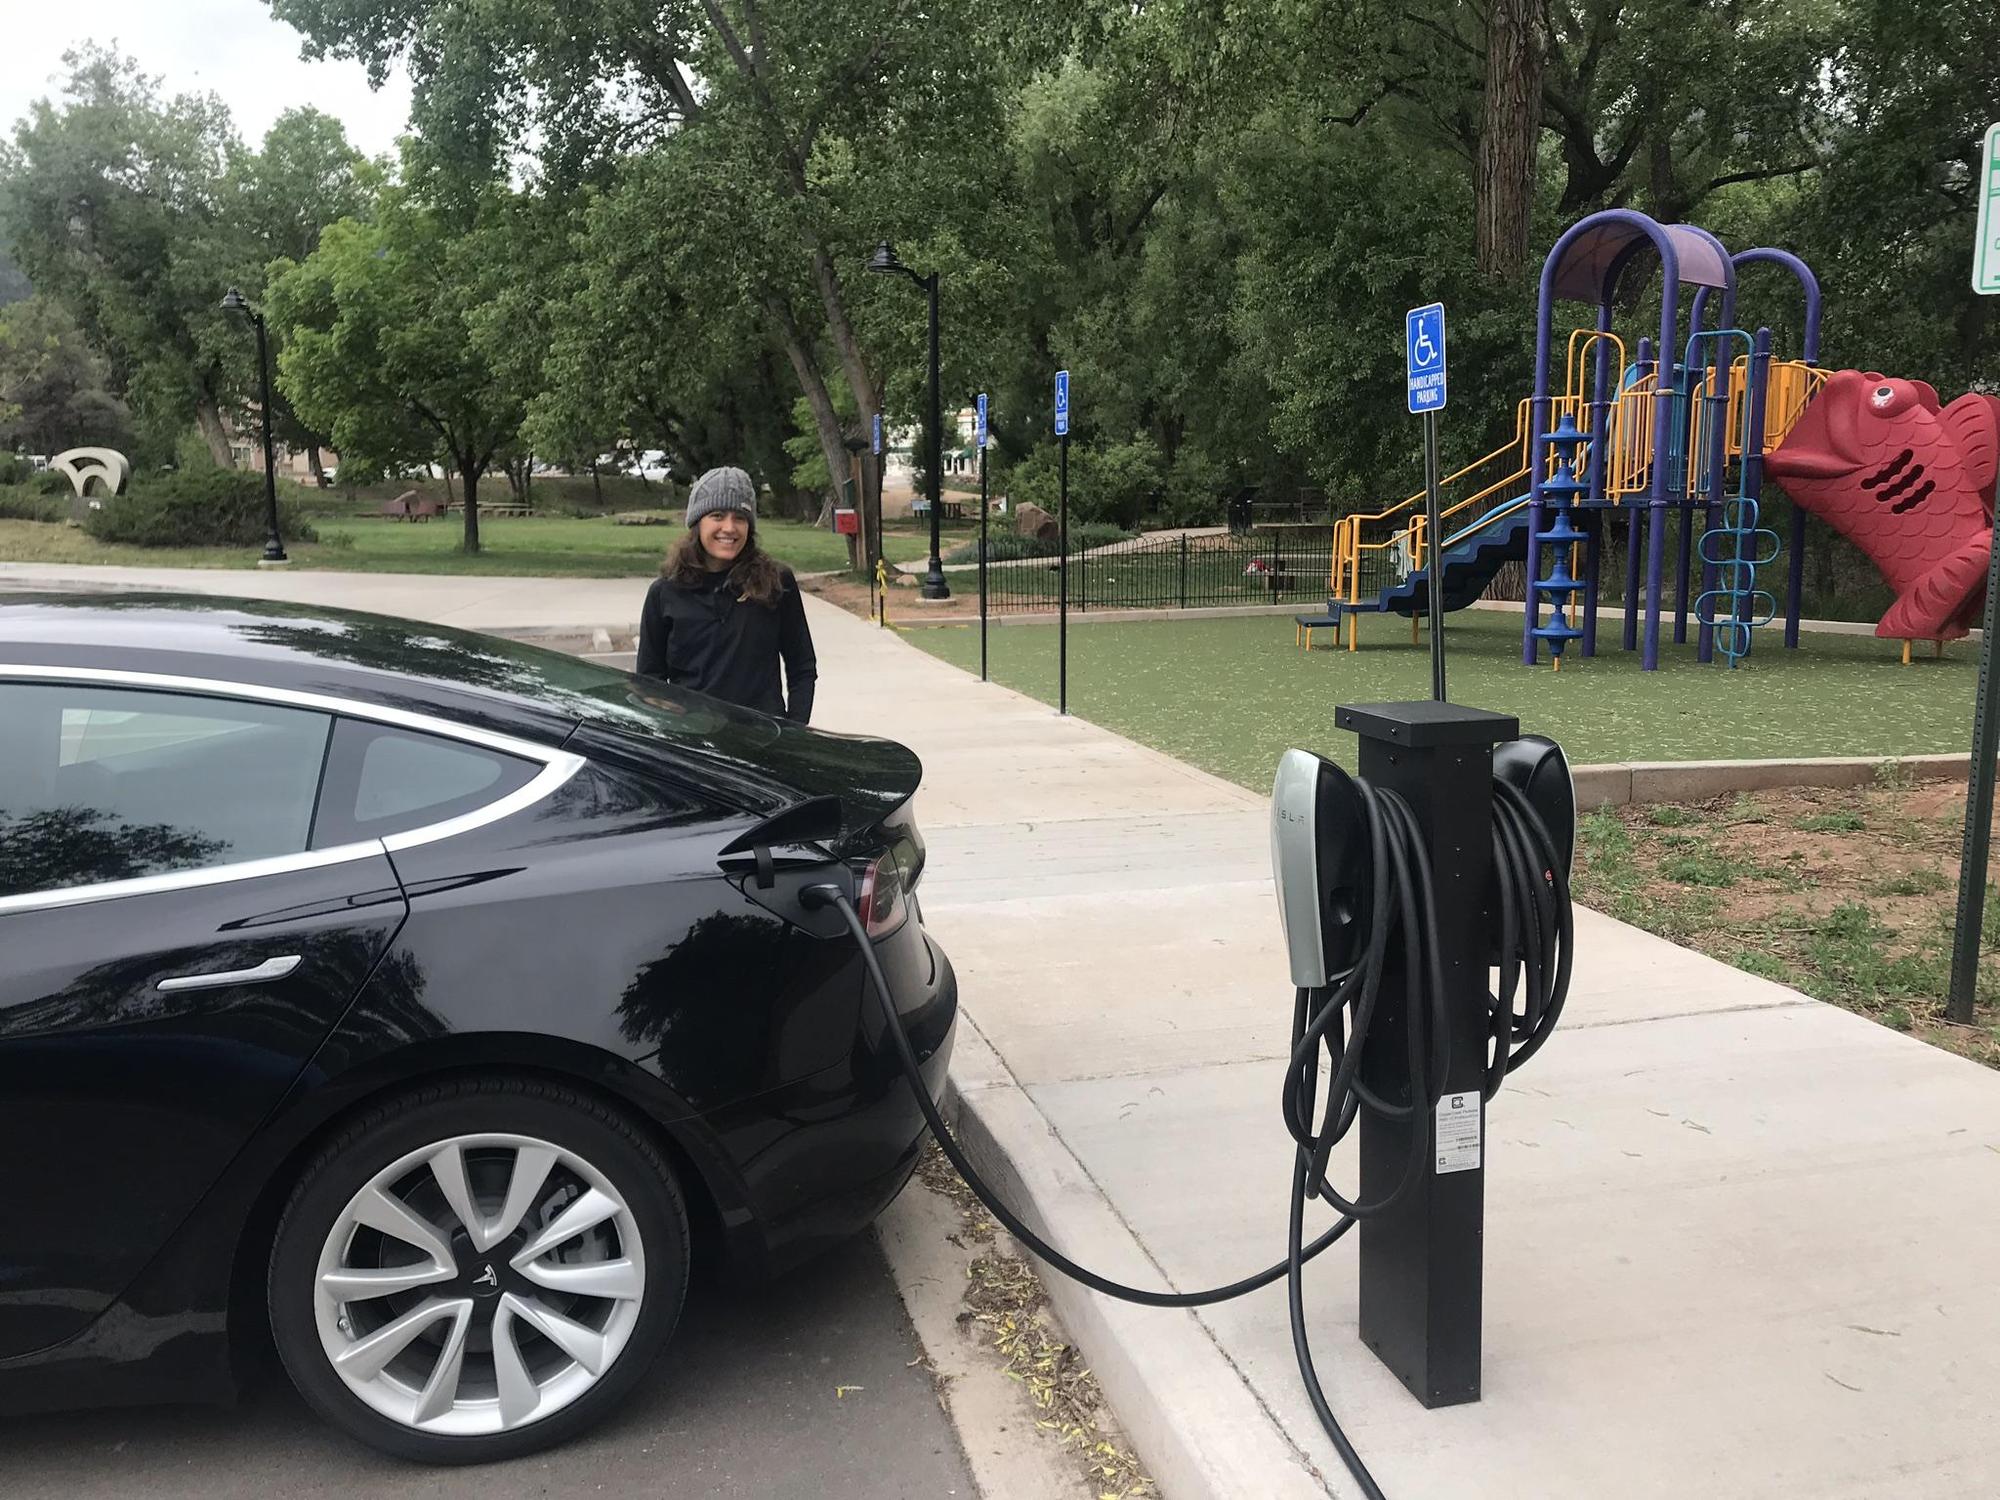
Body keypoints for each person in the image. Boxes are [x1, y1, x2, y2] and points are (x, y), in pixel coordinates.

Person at [636, 466, 818, 723]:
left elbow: (802, 667)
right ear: (698, 522)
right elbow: (649, 680)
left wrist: (795, 733)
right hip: (693, 741)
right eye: (718, 515)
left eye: (740, 518)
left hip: (763, 740)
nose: (729, 528)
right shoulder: (664, 592)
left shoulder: (776, 581)